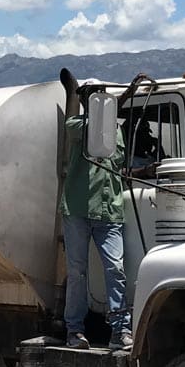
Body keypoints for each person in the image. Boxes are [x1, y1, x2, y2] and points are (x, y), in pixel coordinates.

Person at [60, 97, 131, 350]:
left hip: (108, 209)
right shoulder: (76, 124)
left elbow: (118, 161)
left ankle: (120, 329)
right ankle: (75, 331)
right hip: (79, 208)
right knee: (77, 272)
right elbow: (79, 130)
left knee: (115, 268)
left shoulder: (117, 129)